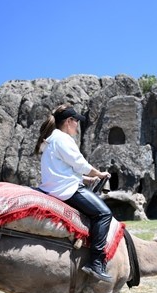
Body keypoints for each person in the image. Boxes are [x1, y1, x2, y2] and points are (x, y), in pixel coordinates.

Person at [34, 104, 113, 283]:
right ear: (69, 121)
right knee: (104, 214)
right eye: (76, 121)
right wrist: (99, 174)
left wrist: (86, 179)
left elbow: (63, 170)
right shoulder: (63, 139)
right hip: (66, 190)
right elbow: (80, 164)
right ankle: (96, 262)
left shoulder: (51, 140)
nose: (78, 125)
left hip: (55, 187)